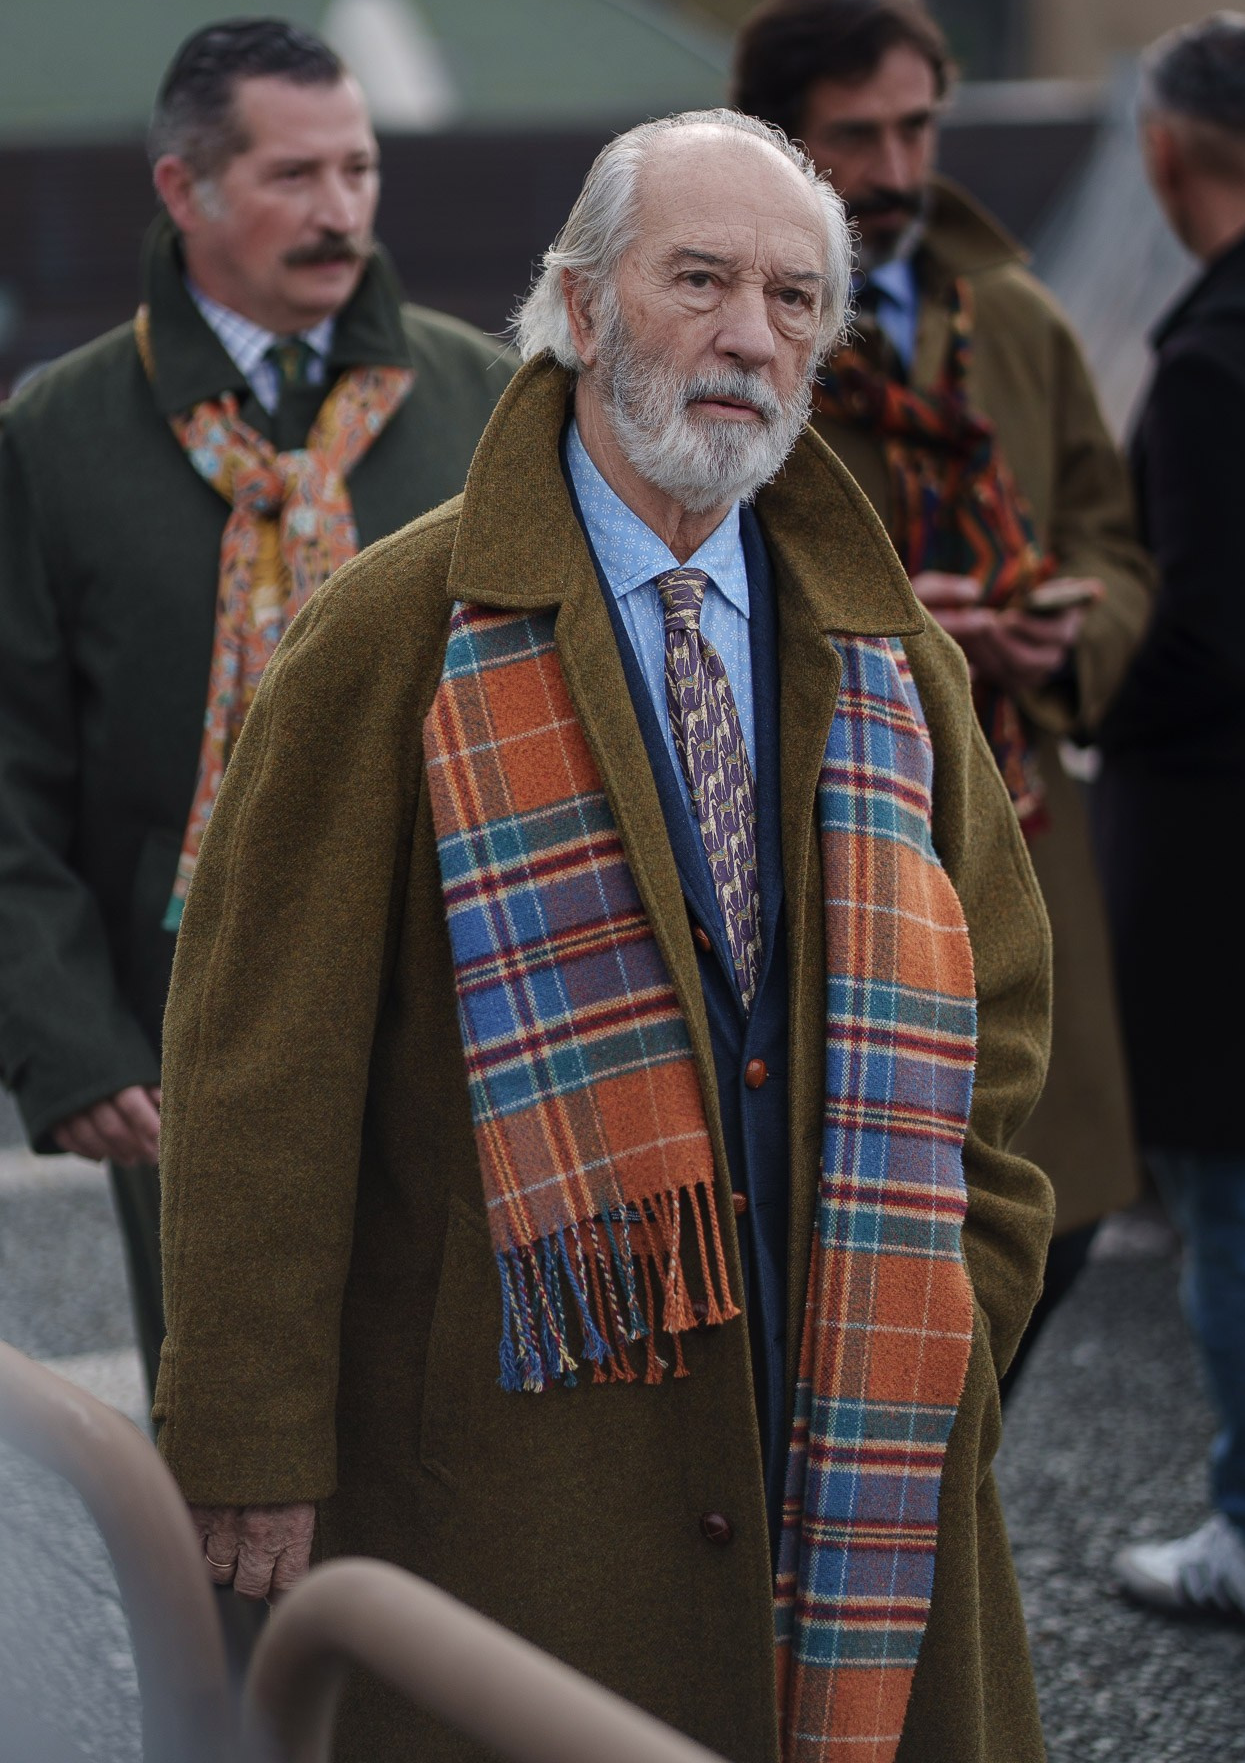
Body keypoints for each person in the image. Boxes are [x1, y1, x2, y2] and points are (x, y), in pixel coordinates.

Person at [156, 108, 1057, 1763]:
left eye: (794, 299)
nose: (750, 336)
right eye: (698, 279)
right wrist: (249, 1436)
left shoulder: (891, 654)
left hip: (852, 1402)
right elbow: (260, 1078)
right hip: (512, 1465)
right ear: (578, 307)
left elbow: (1001, 1023)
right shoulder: (387, 637)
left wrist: (959, 1308)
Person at [0, 18, 515, 1396]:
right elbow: (10, 772)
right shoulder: (56, 436)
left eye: (359, 168)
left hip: (471, 993)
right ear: (184, 188)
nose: (340, 209)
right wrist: (67, 1041)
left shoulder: (488, 401)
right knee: (239, 1419)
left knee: (465, 1410)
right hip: (191, 1023)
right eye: (294, 175)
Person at [732, 0, 1153, 1383]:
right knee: (850, 1251)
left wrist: (1069, 630)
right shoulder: (737, 327)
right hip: (820, 846)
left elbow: (1107, 533)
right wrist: (901, 636)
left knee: (1055, 1218)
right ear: (782, 142)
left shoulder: (1013, 319)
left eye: (917, 127)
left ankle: (943, 1496)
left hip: (1022, 832)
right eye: (856, 135)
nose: (899, 168)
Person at [1094, 14, 1245, 1625]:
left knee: (1244, 1197)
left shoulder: (1225, 355)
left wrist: (1079, 680)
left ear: (1165, 153)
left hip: (1237, 862)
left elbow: (1216, 633)